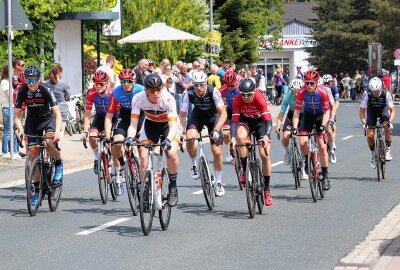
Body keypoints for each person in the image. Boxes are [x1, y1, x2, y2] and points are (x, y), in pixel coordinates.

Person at [126, 74, 180, 207]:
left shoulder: (168, 99)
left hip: (168, 126)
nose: (156, 93)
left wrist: (168, 140)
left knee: (171, 153)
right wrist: (129, 138)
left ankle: (173, 187)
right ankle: (145, 192)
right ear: (146, 91)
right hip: (150, 125)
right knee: (143, 156)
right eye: (152, 91)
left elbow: (173, 127)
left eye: (158, 90)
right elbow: (133, 125)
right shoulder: (138, 99)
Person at [14, 65, 63, 206]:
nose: (31, 84)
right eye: (28, 81)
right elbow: (17, 116)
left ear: (39, 79)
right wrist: (20, 129)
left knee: (48, 143)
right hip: (32, 122)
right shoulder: (22, 91)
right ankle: (36, 191)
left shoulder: (46, 90)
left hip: (47, 120)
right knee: (33, 153)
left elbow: (57, 113)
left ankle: (59, 163)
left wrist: (58, 131)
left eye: (34, 80)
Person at [180, 71, 227, 197]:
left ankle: (218, 182)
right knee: (190, 138)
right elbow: (183, 114)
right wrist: (181, 132)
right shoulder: (188, 92)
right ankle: (194, 164)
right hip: (198, 116)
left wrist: (216, 130)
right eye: (196, 85)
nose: (199, 88)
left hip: (214, 117)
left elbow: (223, 113)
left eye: (201, 85)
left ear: (206, 83)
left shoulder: (213, 91)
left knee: (216, 151)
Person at [230, 79, 273, 206]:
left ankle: (267, 189)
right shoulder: (238, 99)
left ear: (253, 92)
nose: (246, 97)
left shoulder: (259, 97)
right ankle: (244, 170)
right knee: (240, 138)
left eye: (249, 94)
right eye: (243, 94)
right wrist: (232, 138)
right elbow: (234, 121)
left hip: (261, 123)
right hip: (246, 121)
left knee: (264, 155)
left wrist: (266, 136)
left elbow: (268, 121)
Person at [104, 68, 144, 194]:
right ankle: (122, 165)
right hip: (126, 116)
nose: (126, 84)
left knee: (143, 142)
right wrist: (107, 136)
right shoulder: (116, 93)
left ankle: (144, 171)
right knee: (116, 143)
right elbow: (109, 116)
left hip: (142, 115)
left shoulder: (141, 89)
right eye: (123, 82)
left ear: (134, 81)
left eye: (129, 81)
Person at [81, 71, 122, 194]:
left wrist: (110, 133)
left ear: (107, 84)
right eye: (95, 83)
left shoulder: (113, 94)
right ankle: (97, 159)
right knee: (92, 137)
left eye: (101, 84)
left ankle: (119, 181)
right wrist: (84, 131)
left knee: (115, 149)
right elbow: (87, 114)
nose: (98, 86)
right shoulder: (91, 93)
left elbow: (120, 114)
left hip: (114, 119)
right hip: (99, 117)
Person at [292, 70, 331, 190]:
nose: (309, 85)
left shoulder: (322, 92)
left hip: (320, 116)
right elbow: (297, 112)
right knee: (302, 142)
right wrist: (294, 127)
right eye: (307, 83)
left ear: (316, 83)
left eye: (311, 83)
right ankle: (307, 163)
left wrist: (324, 125)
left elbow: (327, 111)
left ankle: (325, 176)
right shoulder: (302, 92)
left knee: (322, 146)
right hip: (308, 115)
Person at [359, 77, 395, 168]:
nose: (375, 93)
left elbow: (393, 110)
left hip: (383, 110)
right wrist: (364, 123)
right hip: (372, 111)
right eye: (373, 91)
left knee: (387, 127)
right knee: (370, 134)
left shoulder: (386, 93)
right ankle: (373, 154)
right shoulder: (366, 94)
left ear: (381, 88)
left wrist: (390, 121)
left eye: (377, 91)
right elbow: (362, 110)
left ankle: (388, 149)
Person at [275, 79, 305, 177]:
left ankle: (305, 166)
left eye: (297, 91)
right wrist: (278, 125)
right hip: (291, 115)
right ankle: (288, 152)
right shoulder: (288, 96)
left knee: (303, 141)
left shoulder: (305, 95)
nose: (295, 94)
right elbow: (282, 113)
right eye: (293, 91)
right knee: (286, 136)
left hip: (304, 115)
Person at [43, 65, 71, 142]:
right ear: (59, 73)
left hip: (50, 109)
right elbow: (68, 96)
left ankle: (49, 148)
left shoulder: (45, 84)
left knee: (50, 130)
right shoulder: (64, 84)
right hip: (62, 110)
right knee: (60, 131)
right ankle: (58, 148)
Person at [219, 70, 240, 163]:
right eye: (228, 86)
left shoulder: (240, 89)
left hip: (240, 111)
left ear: (236, 82)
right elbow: (216, 101)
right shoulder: (223, 90)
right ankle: (229, 149)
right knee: (226, 133)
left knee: (239, 133)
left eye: (232, 85)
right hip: (230, 111)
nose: (230, 88)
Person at [0, 65, 19, 158]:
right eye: (12, 71)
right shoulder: (4, 82)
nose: (13, 72)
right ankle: (4, 151)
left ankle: (15, 151)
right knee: (8, 130)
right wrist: (17, 104)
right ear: (8, 72)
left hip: (12, 108)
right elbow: (10, 96)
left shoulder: (8, 82)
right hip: (8, 108)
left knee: (15, 129)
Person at [322, 74, 340, 164]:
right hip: (322, 110)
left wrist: (334, 112)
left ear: (331, 82)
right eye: (324, 82)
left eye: (328, 82)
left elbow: (336, 103)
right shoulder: (321, 89)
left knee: (330, 130)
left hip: (331, 108)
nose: (326, 84)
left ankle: (332, 149)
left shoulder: (334, 89)